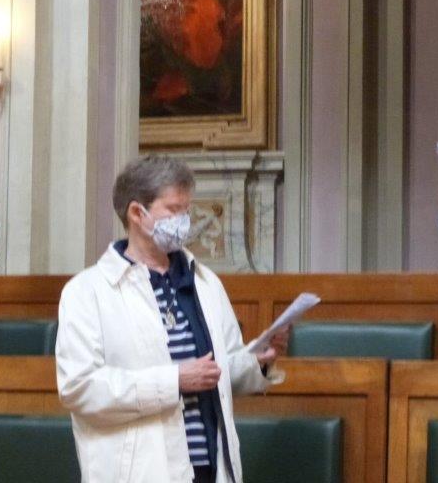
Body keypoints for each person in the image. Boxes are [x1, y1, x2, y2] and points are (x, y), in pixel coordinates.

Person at [56, 155, 289, 483]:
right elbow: (79, 388)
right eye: (174, 210)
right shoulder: (87, 291)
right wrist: (173, 381)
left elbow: (219, 374)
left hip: (210, 468)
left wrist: (257, 363)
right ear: (137, 213)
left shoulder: (204, 282)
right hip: (140, 472)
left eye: (187, 210)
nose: (184, 221)